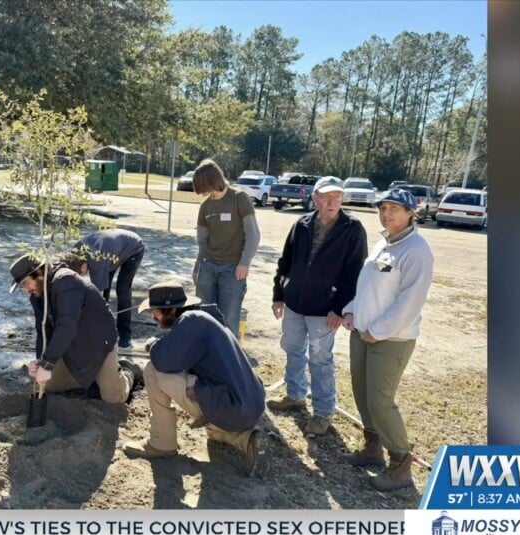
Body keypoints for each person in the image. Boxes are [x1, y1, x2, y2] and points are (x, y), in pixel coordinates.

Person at [122, 282, 269, 478]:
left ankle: (161, 443)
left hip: (231, 403)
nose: (152, 317)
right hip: (247, 405)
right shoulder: (204, 319)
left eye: (155, 312)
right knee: (214, 433)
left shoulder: (191, 321)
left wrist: (153, 345)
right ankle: (249, 439)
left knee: (152, 370)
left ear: (172, 310)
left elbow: (163, 361)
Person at [341, 189, 434, 491]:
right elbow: (366, 286)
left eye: (395, 208)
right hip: (362, 332)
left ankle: (401, 466)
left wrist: (378, 330)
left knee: (380, 400)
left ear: (411, 213)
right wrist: (351, 310)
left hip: (390, 339)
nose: (387, 214)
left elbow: (411, 301)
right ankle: (372, 448)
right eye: (383, 208)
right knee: (362, 392)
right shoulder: (384, 243)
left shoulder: (416, 250)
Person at [266, 176, 368, 437]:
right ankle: (296, 395)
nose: (332, 201)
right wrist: (279, 295)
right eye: (326, 196)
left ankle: (323, 413)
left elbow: (355, 273)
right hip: (294, 303)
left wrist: (339, 308)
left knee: (321, 360)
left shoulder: (353, 228)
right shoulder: (301, 224)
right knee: (293, 349)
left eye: (337, 196)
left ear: (342, 199)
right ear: (315, 199)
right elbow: (285, 261)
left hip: (325, 310)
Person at [9, 254, 141, 403]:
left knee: (113, 397)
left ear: (39, 273)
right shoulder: (37, 297)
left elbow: (66, 326)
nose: (26, 290)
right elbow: (43, 332)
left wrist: (47, 365)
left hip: (98, 345)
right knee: (49, 385)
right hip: (71, 346)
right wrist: (40, 361)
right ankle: (92, 379)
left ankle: (128, 371)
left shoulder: (66, 281)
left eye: (26, 283)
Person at [192, 159, 260, 339]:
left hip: (232, 269)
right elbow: (202, 242)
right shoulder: (205, 206)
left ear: (211, 181)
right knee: (204, 316)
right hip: (207, 267)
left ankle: (228, 356)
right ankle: (204, 355)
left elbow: (253, 234)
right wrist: (198, 267)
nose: (202, 193)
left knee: (228, 319)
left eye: (202, 186)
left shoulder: (239, 198)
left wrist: (244, 263)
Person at [65, 229, 146, 349]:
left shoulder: (96, 261)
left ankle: (125, 336)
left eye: (82, 272)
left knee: (122, 289)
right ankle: (105, 330)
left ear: (84, 263)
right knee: (105, 288)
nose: (84, 275)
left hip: (133, 248)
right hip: (111, 252)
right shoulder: (75, 253)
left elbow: (98, 297)